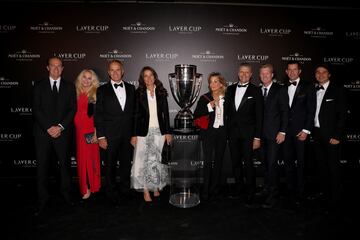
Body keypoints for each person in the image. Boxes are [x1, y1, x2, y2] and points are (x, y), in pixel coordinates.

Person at [33, 56, 77, 215]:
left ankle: (66, 194)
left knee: (65, 166)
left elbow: (72, 109)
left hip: (62, 133)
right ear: (47, 67)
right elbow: (36, 109)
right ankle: (42, 199)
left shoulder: (70, 86)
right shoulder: (38, 86)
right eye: (53, 66)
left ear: (63, 68)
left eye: (59, 66)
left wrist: (59, 127)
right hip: (42, 134)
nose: (56, 69)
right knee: (42, 167)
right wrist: (48, 128)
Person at [94, 60, 135, 206]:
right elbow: (98, 114)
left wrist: (134, 134)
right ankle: (110, 191)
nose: (115, 72)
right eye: (112, 70)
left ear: (122, 71)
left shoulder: (131, 88)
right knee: (110, 165)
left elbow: (135, 114)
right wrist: (101, 136)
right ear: (109, 72)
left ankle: (125, 188)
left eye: (118, 70)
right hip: (110, 135)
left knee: (126, 164)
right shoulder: (102, 90)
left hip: (127, 134)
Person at [130, 66, 172, 202]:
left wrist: (167, 132)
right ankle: (145, 190)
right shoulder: (138, 93)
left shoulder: (161, 92)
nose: (148, 78)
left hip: (159, 132)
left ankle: (155, 186)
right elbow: (135, 115)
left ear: (155, 76)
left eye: (150, 75)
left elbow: (165, 114)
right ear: (142, 79)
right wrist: (134, 134)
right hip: (143, 132)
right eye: (145, 76)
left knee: (156, 160)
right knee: (143, 161)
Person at [226, 63, 263, 207]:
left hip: (249, 135)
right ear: (238, 73)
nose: (244, 75)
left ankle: (250, 192)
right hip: (233, 134)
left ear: (251, 74)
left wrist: (257, 137)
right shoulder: (230, 89)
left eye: (247, 73)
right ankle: (239, 188)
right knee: (235, 163)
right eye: (242, 72)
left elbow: (260, 116)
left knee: (248, 164)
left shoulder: (256, 90)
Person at [312, 63, 347, 212]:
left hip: (332, 136)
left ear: (329, 74)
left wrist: (337, 135)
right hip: (317, 134)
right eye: (318, 72)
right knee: (321, 166)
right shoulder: (313, 90)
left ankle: (335, 197)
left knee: (333, 167)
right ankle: (325, 193)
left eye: (324, 72)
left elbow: (343, 115)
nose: (320, 75)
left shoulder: (338, 90)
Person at [283, 60, 316, 204]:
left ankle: (301, 192)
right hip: (285, 132)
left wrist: (306, 130)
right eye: (289, 70)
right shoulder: (282, 86)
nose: (292, 72)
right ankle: (290, 191)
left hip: (301, 132)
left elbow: (311, 110)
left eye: (295, 69)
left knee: (302, 163)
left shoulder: (308, 86)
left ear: (300, 71)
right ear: (286, 72)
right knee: (288, 163)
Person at [257, 64, 289, 208]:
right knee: (264, 164)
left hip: (275, 135)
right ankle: (266, 188)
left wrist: (282, 131)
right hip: (260, 135)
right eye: (262, 74)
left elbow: (285, 112)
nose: (264, 76)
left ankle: (273, 193)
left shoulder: (280, 89)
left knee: (271, 164)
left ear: (272, 74)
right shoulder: (258, 90)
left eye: (267, 73)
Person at [194, 72, 227, 202]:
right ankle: (206, 189)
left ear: (221, 83)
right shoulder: (205, 98)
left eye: (215, 81)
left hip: (222, 133)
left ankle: (215, 188)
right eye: (211, 81)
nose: (212, 84)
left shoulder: (227, 97)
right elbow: (196, 115)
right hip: (208, 133)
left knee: (218, 161)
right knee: (207, 162)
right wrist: (210, 106)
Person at [74, 69, 101, 200]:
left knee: (90, 159)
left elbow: (97, 116)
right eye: (84, 77)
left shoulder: (95, 94)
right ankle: (85, 187)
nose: (86, 80)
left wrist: (97, 133)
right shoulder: (76, 92)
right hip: (78, 132)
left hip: (90, 131)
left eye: (89, 78)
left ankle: (91, 186)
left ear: (93, 80)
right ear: (80, 78)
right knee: (81, 159)